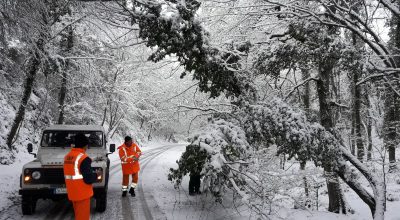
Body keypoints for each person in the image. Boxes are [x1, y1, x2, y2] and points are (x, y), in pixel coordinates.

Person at [64, 133, 100, 220]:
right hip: (82, 193)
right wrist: (96, 175)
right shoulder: (84, 158)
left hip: (72, 191)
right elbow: (88, 178)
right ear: (85, 145)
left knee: (78, 216)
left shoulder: (68, 156)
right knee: (82, 218)